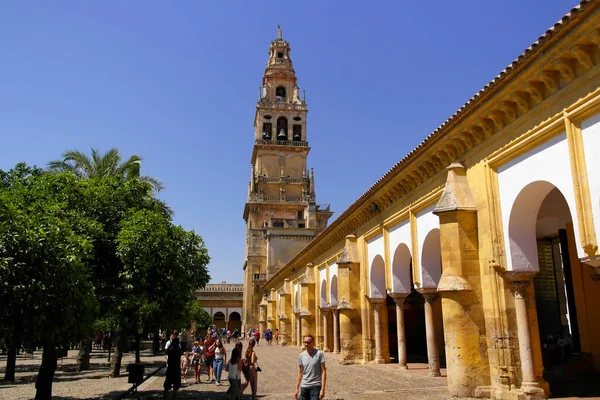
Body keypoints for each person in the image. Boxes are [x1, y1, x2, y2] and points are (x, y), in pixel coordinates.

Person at [295, 334, 326, 400]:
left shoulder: (319, 354)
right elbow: (300, 372)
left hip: (315, 387)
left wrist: (322, 389)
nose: (306, 344)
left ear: (313, 343)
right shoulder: (301, 355)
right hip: (304, 387)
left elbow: (324, 371)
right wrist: (297, 389)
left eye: (308, 342)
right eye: (305, 342)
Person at [164, 331, 183, 399]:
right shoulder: (178, 349)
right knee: (175, 385)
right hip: (176, 369)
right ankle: (173, 396)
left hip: (171, 368)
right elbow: (181, 353)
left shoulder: (171, 349)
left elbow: (166, 351)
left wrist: (171, 345)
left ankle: (166, 396)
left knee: (168, 384)